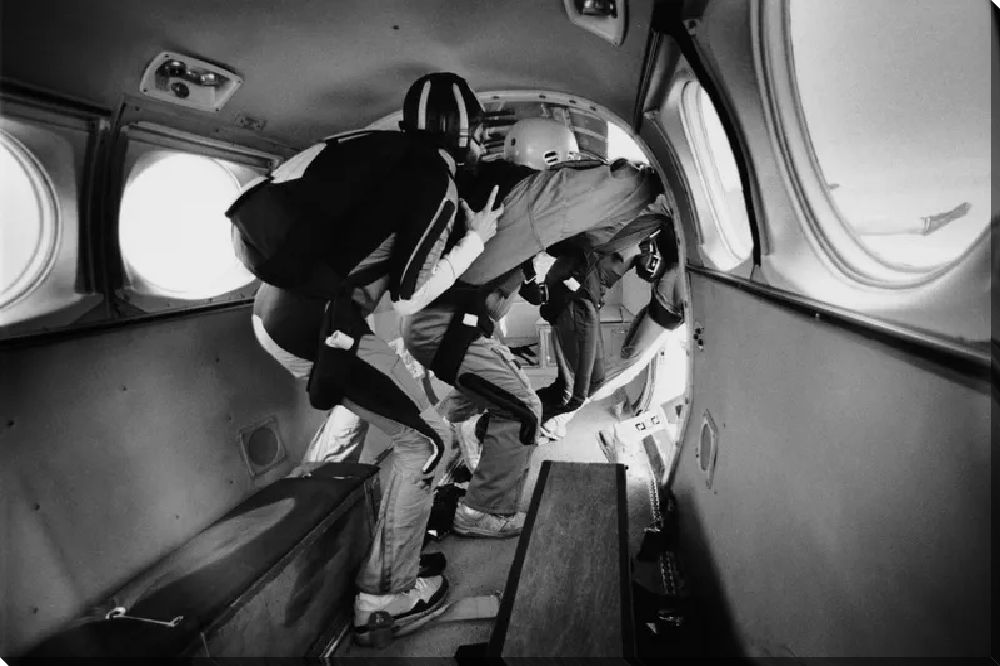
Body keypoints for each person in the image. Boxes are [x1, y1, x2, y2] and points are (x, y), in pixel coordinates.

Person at [227, 72, 503, 644]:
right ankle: (385, 598)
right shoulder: (435, 179)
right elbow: (409, 294)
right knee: (429, 442)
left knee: (399, 418)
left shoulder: (381, 157)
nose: (480, 141)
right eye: (477, 129)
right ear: (456, 130)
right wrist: (477, 236)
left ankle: (386, 549)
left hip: (278, 310)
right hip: (318, 325)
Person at [403, 121, 667, 539]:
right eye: (567, 162)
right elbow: (628, 186)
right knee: (523, 408)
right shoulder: (535, 197)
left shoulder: (495, 188)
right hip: (447, 325)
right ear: (554, 158)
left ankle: (450, 435)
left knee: (494, 389)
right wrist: (661, 180)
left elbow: (584, 241)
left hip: (455, 322)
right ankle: (481, 511)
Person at [535, 216, 678, 441]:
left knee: (573, 384)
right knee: (580, 388)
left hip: (574, 291)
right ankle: (536, 422)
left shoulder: (639, 229)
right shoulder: (643, 229)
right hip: (575, 295)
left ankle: (528, 415)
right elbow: (645, 268)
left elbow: (643, 267)